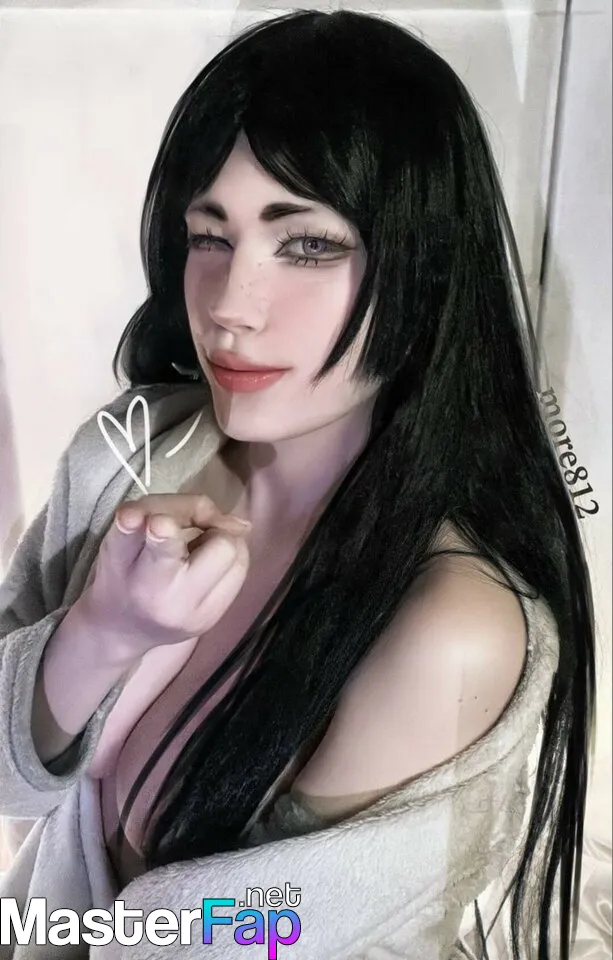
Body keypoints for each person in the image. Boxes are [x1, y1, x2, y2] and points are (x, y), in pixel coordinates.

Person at [0, 9, 595, 960]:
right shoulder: (124, 456)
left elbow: (249, 937)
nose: (230, 309)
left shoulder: (445, 629)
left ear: (423, 264)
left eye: (308, 245)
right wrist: (100, 632)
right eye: (210, 236)